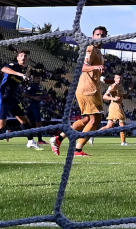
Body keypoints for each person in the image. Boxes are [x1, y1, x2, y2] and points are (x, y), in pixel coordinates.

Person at [52, 27, 107, 158]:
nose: (100, 37)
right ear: (93, 36)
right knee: (95, 120)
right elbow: (81, 66)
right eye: (98, 34)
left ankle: (59, 138)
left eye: (103, 35)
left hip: (92, 88)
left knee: (87, 119)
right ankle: (77, 149)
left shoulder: (98, 52)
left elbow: (95, 72)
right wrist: (95, 67)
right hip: (87, 89)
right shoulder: (90, 48)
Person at [103, 74, 130, 145]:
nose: (119, 80)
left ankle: (92, 135)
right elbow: (105, 96)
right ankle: (123, 142)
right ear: (114, 79)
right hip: (115, 106)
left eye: (120, 78)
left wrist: (130, 90)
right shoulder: (112, 86)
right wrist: (113, 98)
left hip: (117, 106)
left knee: (109, 126)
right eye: (117, 78)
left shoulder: (121, 87)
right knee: (123, 124)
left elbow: (124, 97)